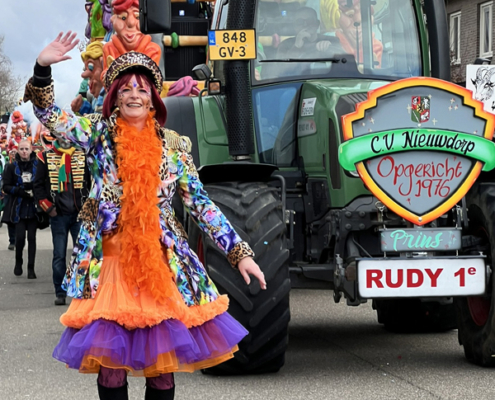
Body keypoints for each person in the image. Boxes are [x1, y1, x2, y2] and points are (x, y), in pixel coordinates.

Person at [25, 32, 266, 400]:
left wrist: (240, 253)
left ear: (153, 97)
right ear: (114, 97)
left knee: (162, 369)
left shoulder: (174, 148)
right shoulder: (98, 135)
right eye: (125, 89)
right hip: (110, 263)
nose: (134, 95)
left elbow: (202, 205)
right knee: (111, 366)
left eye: (141, 89)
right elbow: (52, 118)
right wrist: (42, 69)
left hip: (161, 264)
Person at [34, 137, 90, 306]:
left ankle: (80, 291)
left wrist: (88, 206)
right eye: (62, 134)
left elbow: (90, 183)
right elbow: (38, 186)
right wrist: (48, 207)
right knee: (59, 254)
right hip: (58, 215)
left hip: (79, 214)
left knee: (82, 255)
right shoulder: (45, 156)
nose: (65, 138)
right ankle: (60, 292)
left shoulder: (83, 155)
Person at [1, 139, 38, 278]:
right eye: (21, 149)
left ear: (31, 150)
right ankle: (18, 262)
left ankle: (31, 268)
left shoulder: (38, 166)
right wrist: (19, 190)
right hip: (18, 207)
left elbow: (43, 183)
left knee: (32, 238)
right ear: (18, 150)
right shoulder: (11, 167)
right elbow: (5, 186)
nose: (24, 152)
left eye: (26, 149)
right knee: (20, 238)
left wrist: (34, 189)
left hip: (33, 207)